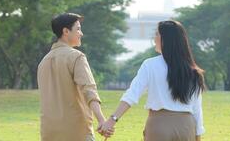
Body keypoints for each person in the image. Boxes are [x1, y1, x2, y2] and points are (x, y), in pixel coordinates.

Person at [100, 20, 205, 141]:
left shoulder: (150, 65)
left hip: (159, 125)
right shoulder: (194, 72)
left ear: (165, 39)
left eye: (157, 34)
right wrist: (198, 137)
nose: (154, 38)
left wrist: (112, 120)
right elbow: (197, 109)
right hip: (186, 127)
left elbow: (132, 95)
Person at [37, 13, 113, 141]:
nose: (81, 33)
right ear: (66, 31)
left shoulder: (43, 62)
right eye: (78, 29)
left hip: (48, 132)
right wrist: (101, 120)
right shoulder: (76, 57)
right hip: (77, 132)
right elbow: (89, 90)